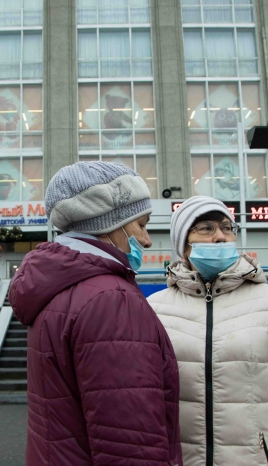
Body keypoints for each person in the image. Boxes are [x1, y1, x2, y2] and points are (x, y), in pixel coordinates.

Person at [9, 161, 182, 466]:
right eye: (141, 225)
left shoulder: (61, 288)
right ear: (108, 224)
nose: (147, 240)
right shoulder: (110, 298)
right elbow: (130, 442)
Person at [147, 196, 268, 466]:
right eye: (206, 228)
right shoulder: (155, 309)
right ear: (183, 245)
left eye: (227, 228)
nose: (220, 237)